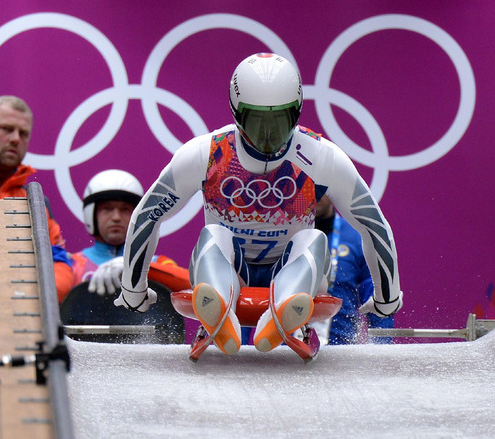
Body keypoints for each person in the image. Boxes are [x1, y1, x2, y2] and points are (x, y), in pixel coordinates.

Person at [114, 53, 403, 356]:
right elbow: (374, 225)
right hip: (231, 268)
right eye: (257, 121)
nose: (268, 137)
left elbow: (146, 216)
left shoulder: (320, 157)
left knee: (314, 239)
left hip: (291, 268)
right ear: (237, 113)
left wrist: (134, 289)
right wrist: (388, 297)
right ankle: (256, 311)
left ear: (297, 112)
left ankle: (251, 311)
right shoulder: (206, 154)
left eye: (279, 121)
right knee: (213, 237)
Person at [0, 95, 73, 301]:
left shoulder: (35, 200)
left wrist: (30, 295)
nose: (16, 138)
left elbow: (59, 262)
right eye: (6, 129)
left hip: (19, 310)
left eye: (23, 133)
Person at [63, 169, 189, 343]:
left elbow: (192, 284)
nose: (116, 217)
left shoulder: (158, 263)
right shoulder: (71, 264)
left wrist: (137, 266)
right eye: (107, 209)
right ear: (91, 214)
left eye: (125, 210)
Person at [315, 195, 394, 344]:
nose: (314, 195)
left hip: (341, 352)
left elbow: (375, 294)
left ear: (332, 190)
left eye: (319, 189)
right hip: (288, 353)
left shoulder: (356, 237)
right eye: (307, 189)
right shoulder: (283, 237)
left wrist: (381, 349)